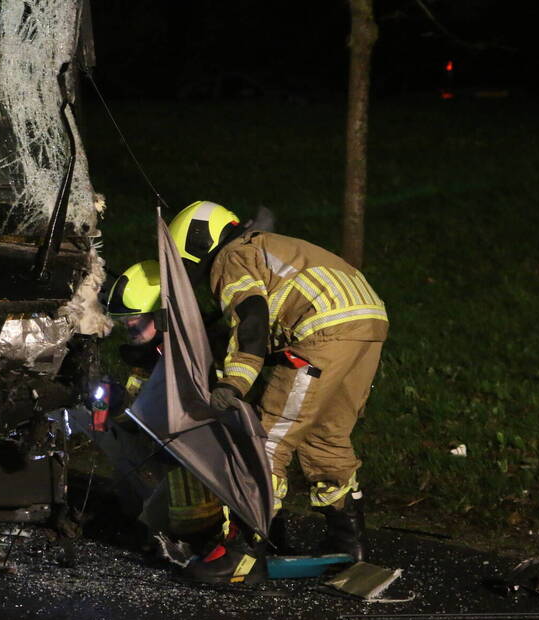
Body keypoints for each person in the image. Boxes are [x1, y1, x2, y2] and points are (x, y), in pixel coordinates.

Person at [166, 200, 389, 585]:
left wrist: (234, 382)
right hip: (369, 321)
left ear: (197, 244)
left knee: (268, 439)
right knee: (327, 438)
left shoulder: (232, 257)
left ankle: (244, 554)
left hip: (322, 326)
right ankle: (349, 545)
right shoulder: (268, 244)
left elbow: (251, 318)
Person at [101, 260, 223, 542]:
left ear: (162, 315)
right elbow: (134, 420)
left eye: (135, 319)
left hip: (215, 477)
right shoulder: (149, 357)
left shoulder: (199, 353)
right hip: (176, 476)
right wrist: (118, 405)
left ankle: (209, 535)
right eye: (124, 321)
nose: (128, 326)